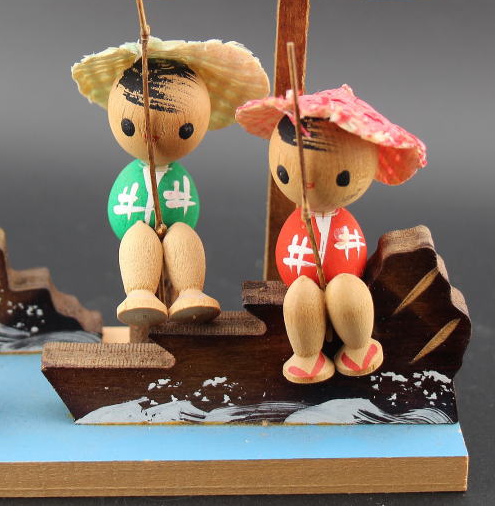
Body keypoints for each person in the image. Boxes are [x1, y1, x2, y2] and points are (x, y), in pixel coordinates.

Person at [72, 37, 269, 327]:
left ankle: (190, 291)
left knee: (182, 234)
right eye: (129, 125)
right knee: (138, 237)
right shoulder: (134, 175)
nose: (152, 136)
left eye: (183, 129)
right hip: (136, 228)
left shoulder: (178, 176)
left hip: (176, 226)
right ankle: (139, 293)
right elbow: (119, 210)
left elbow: (189, 209)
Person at [236, 84, 427, 382]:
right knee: (300, 296)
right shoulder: (298, 220)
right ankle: (307, 356)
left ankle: (359, 346)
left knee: (347, 289)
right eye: (287, 172)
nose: (309, 183)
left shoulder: (343, 222)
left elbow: (352, 255)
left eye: (341, 176)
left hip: (345, 279)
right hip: (299, 283)